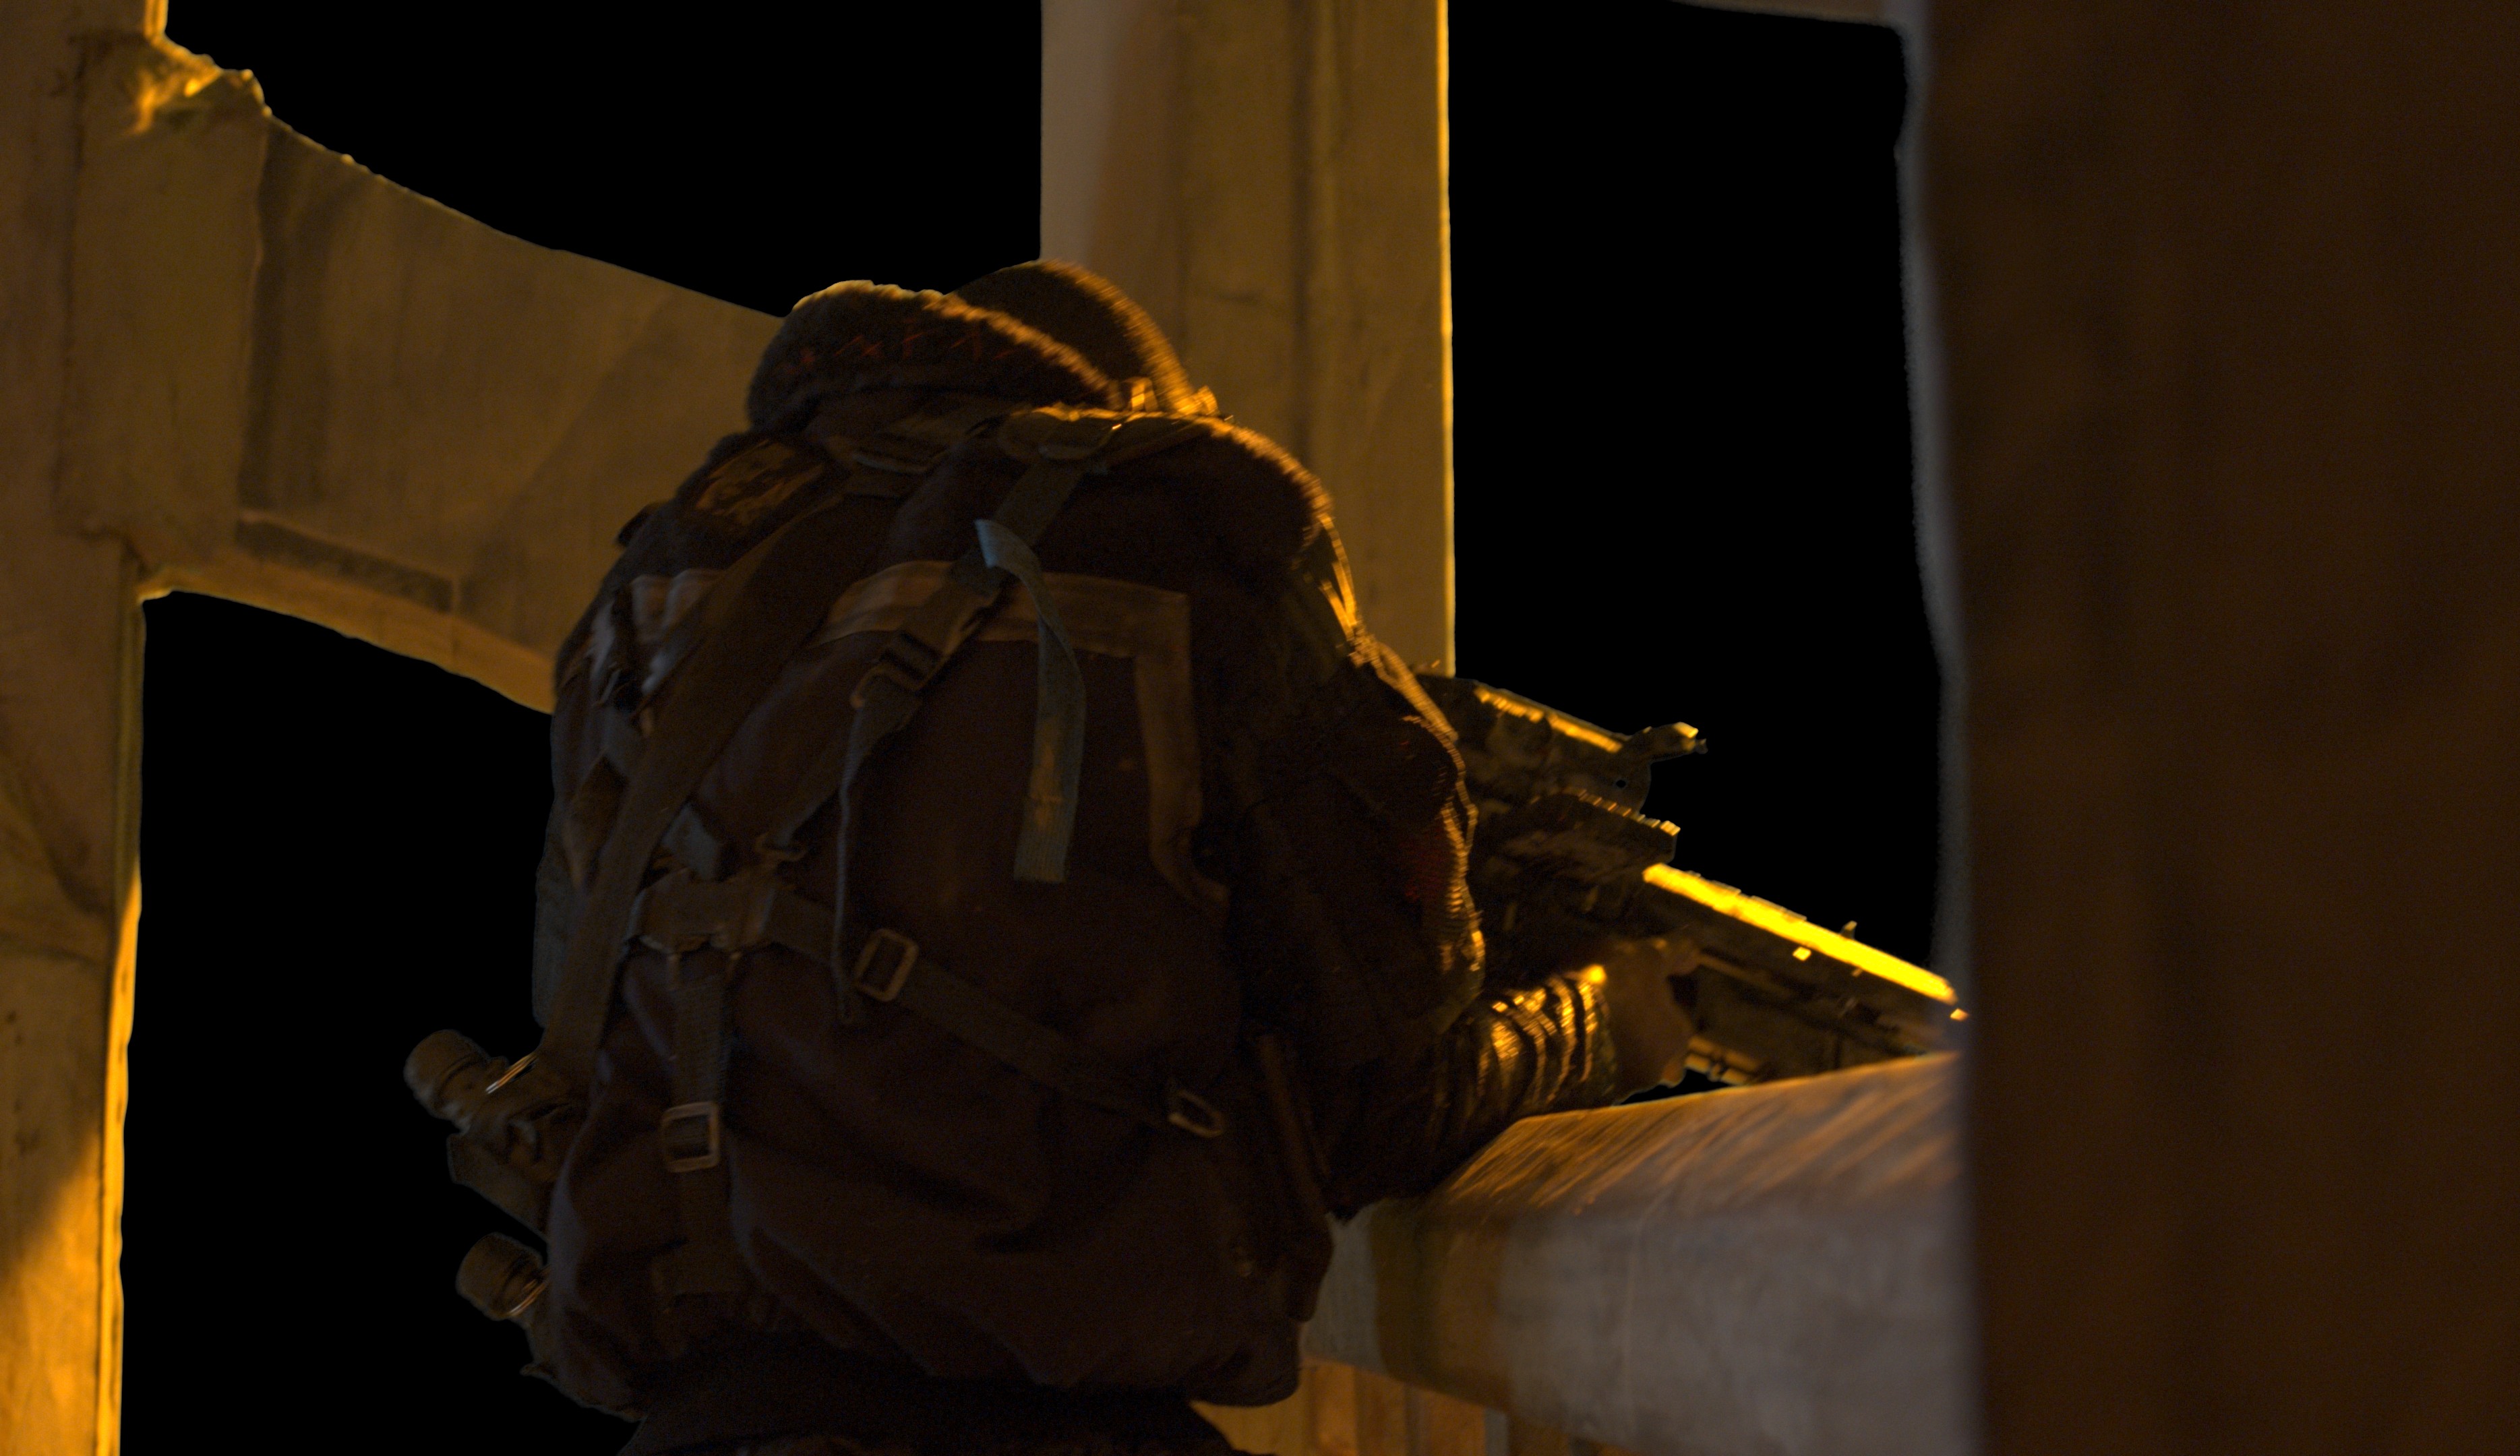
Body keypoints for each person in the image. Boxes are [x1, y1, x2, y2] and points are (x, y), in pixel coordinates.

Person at [510, 262, 1693, 1455]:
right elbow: (1391, 1107)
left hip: (701, 1423)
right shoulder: (1190, 522)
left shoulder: (663, 582)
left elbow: (588, 1027)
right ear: (1139, 409)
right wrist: (1605, 1016)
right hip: (1043, 1432)